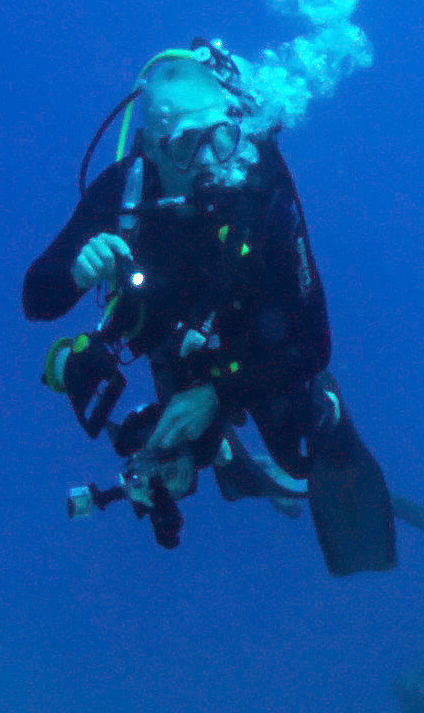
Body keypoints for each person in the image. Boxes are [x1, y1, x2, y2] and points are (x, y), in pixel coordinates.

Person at [23, 43, 397, 571]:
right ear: (151, 149)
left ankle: (311, 419)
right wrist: (75, 272)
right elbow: (35, 300)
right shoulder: (121, 195)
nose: (207, 162)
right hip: (174, 344)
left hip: (259, 340)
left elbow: (315, 343)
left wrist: (218, 393)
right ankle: (219, 453)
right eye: (184, 146)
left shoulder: (261, 186)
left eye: (219, 137)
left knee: (302, 452)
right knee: (167, 466)